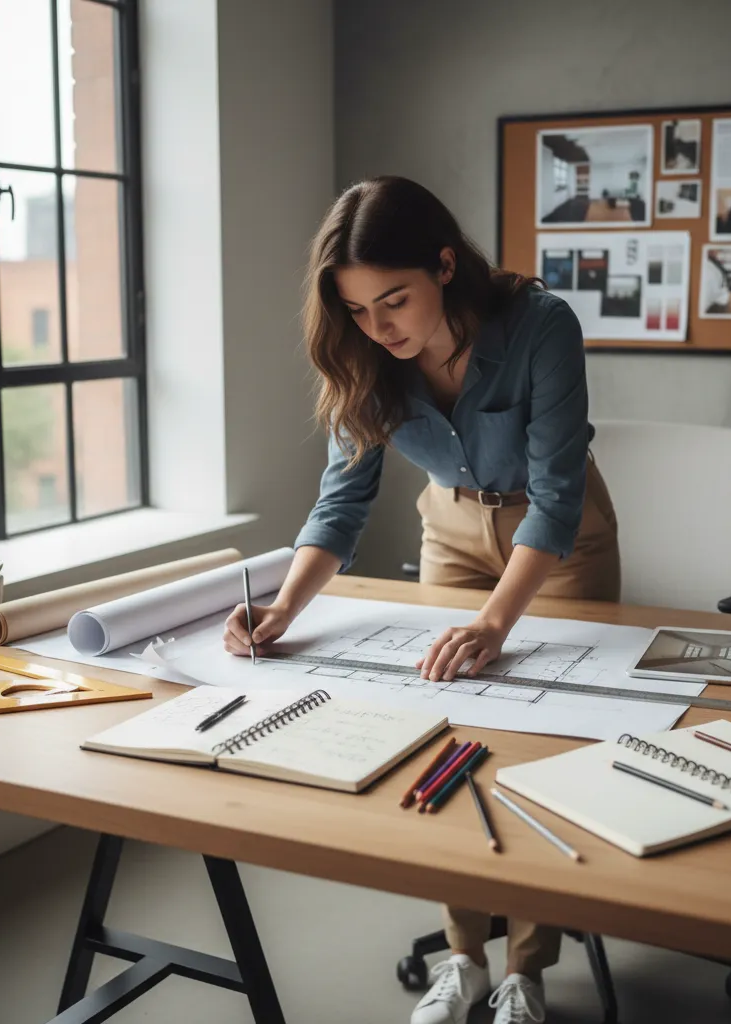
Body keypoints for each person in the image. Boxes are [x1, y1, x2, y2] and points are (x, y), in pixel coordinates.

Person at [223, 176, 620, 1024]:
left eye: (393, 300)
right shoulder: (365, 356)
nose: (379, 327)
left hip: (559, 544)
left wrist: (494, 621)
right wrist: (286, 609)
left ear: (445, 264)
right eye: (358, 310)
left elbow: (553, 498)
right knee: (448, 738)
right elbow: (342, 499)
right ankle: (466, 957)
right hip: (449, 532)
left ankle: (528, 970)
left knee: (542, 746)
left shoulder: (541, 326)